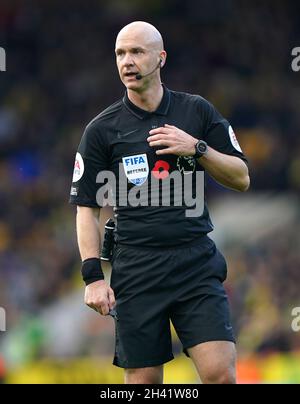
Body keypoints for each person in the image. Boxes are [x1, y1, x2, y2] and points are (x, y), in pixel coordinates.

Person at [69, 21, 250, 384]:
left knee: (221, 374)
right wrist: (92, 277)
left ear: (160, 57)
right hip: (137, 268)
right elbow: (86, 207)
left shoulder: (196, 111)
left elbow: (241, 177)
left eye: (136, 51)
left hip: (194, 262)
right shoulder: (102, 130)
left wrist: (196, 148)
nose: (127, 61)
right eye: (120, 53)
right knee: (144, 383)